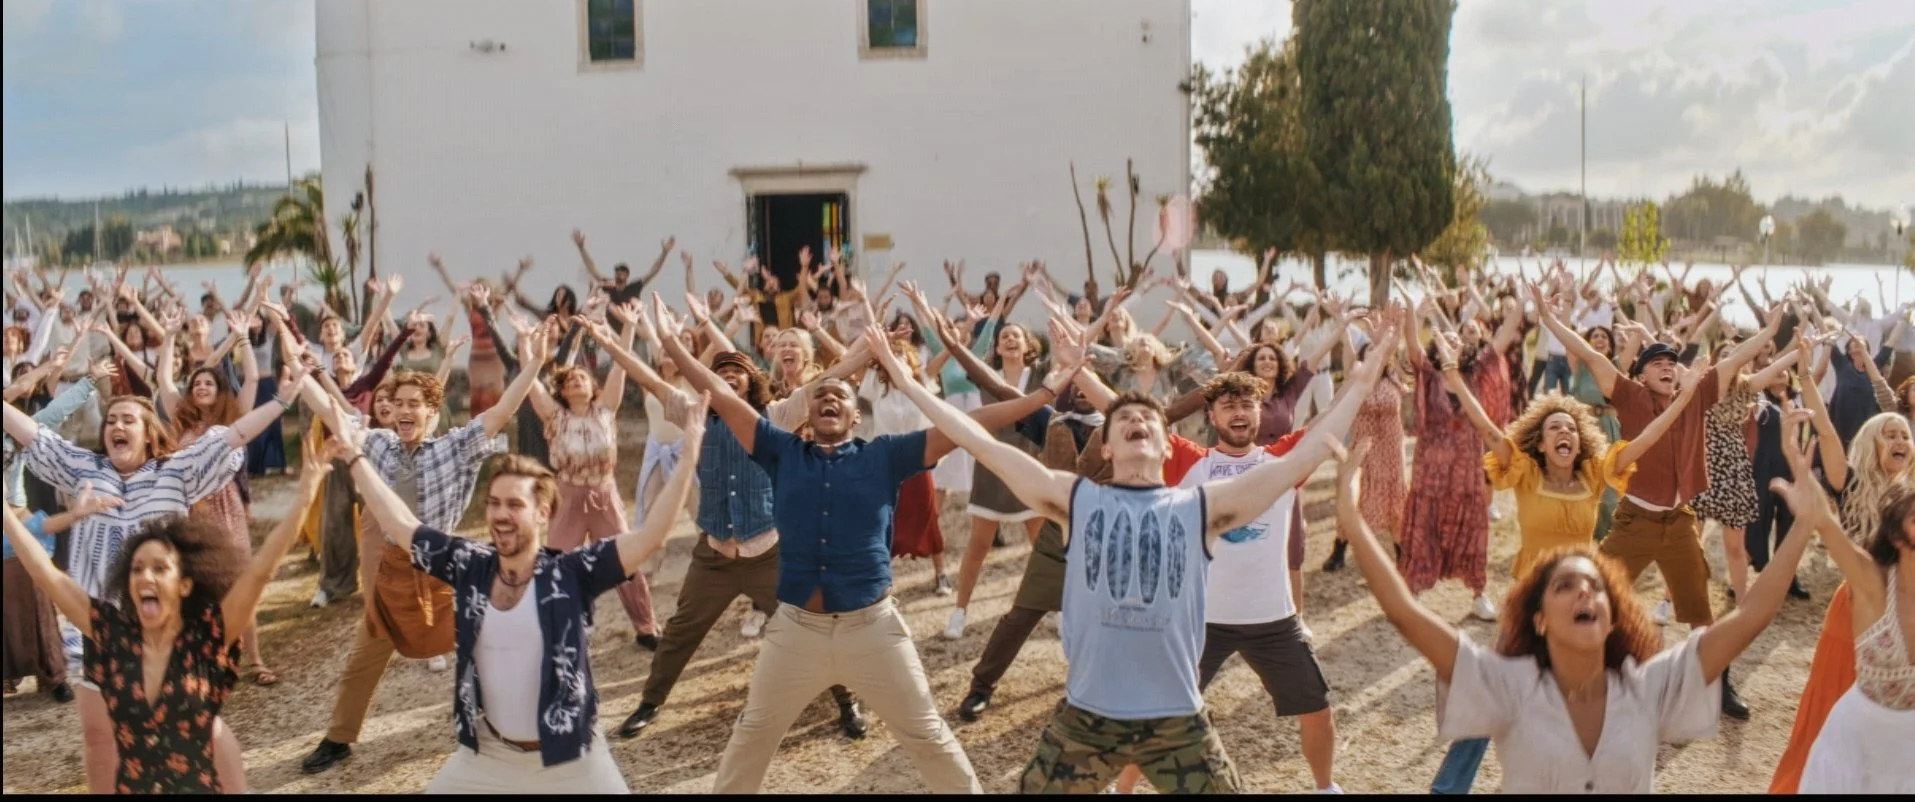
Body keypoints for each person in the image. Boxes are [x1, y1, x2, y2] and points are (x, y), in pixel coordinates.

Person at [881, 311, 1394, 793]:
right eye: (1123, 417)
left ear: (1168, 445)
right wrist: (907, 383)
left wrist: (1363, 382)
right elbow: (979, 441)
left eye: (1149, 419)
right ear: (1106, 446)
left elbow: (1306, 451)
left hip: (1179, 720)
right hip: (1085, 716)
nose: (1138, 421)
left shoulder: (1202, 507)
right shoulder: (1076, 499)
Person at [1330, 404, 1831, 794]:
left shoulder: (1652, 687)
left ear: (1615, 615)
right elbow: (1404, 612)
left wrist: (1805, 524)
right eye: (1564, 586)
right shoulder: (1508, 686)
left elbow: (1753, 614)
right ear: (1540, 619)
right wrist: (1351, 520)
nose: (1584, 590)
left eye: (1595, 585)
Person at [653, 294, 989, 794]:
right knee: (752, 734)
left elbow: (965, 428)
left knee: (926, 733)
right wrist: (670, 344)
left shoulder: (882, 456)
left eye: (841, 396)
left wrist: (1042, 393)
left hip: (874, 627)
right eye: (820, 395)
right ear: (806, 413)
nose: (830, 399)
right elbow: (722, 397)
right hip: (796, 628)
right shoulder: (782, 449)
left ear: (857, 414)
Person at [336, 387, 702, 792]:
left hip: (571, 755)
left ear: (543, 513)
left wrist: (688, 457)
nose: (500, 514)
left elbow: (651, 535)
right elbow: (401, 523)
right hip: (489, 754)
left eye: (514, 504)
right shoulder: (469, 564)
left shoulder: (572, 572)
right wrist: (355, 457)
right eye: (493, 503)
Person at [8, 368, 308, 792]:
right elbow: (31, 434)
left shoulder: (176, 470)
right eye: (111, 421)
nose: (117, 426)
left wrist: (281, 402)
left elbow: (233, 435)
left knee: (200, 722)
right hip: (102, 624)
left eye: (128, 420)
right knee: (98, 733)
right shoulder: (84, 469)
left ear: (149, 433)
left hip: (170, 623)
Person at [605, 302, 878, 739]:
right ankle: (649, 703)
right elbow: (647, 377)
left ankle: (848, 703)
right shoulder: (690, 413)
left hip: (767, 552)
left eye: (738, 371)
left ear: (753, 382)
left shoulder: (777, 416)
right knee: (680, 632)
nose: (729, 374)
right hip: (713, 553)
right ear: (710, 382)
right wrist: (606, 339)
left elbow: (833, 376)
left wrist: (871, 345)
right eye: (721, 370)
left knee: (817, 622)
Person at [298, 327, 551, 774]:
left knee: (484, 645)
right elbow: (336, 413)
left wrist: (532, 365)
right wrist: (302, 378)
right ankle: (338, 739)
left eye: (416, 404)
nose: (404, 411)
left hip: (445, 568)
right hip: (394, 569)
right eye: (398, 405)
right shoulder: (378, 444)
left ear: (433, 412)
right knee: (365, 656)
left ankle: (510, 726)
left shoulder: (454, 448)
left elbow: (503, 409)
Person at [1537, 284, 1781, 719]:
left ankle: (1718, 686)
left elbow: (1736, 358)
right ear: (1643, 373)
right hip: (1634, 522)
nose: (1669, 368)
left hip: (1679, 522)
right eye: (1659, 364)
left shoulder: (1698, 393)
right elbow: (1591, 357)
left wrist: (1772, 327)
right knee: (1595, 594)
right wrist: (1550, 318)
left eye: (1673, 363)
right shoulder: (1629, 395)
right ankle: (1565, 678)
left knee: (1701, 614)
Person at [523, 312, 659, 651]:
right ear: (564, 392)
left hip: (603, 493)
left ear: (591, 386)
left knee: (624, 561)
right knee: (556, 562)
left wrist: (626, 327)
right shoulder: (555, 417)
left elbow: (620, 365)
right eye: (569, 382)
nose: (575, 383)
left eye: (581, 379)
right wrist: (527, 344)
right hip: (567, 496)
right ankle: (558, 627)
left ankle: (646, 627)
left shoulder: (605, 408)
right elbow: (531, 384)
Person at [1797, 489, 1915, 793]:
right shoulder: (1873, 584)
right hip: (1855, 741)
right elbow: (1828, 527)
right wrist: (1807, 487)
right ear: (1897, 536)